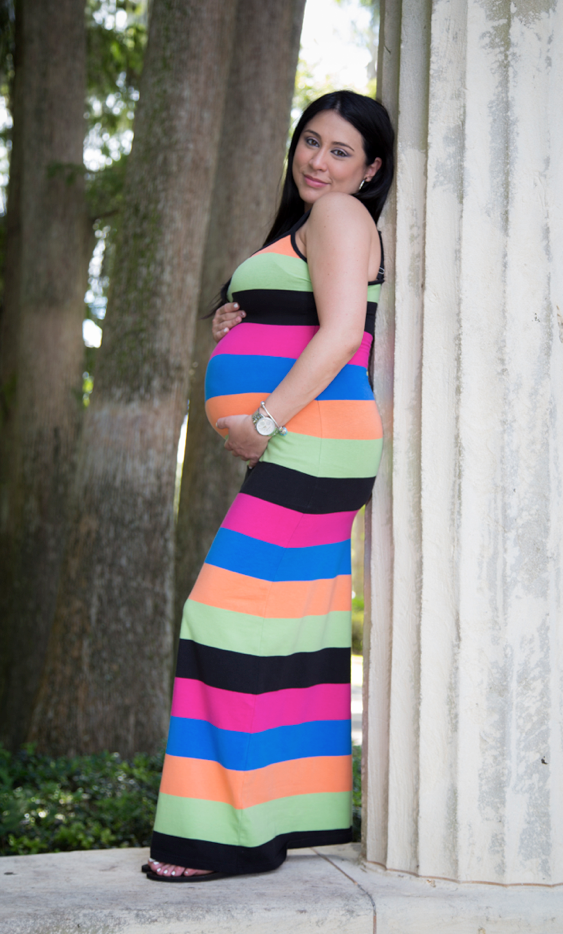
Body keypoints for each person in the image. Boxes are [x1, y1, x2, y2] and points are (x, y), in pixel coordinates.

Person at [145, 90, 395, 882]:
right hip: (310, 438)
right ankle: (294, 815)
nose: (317, 160)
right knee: (292, 628)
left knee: (220, 617)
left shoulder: (340, 215)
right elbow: (313, 317)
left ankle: (219, 838)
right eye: (311, 140)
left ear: (371, 169)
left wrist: (261, 420)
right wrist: (243, 320)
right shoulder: (317, 221)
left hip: (310, 438)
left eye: (341, 150)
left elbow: (343, 333)